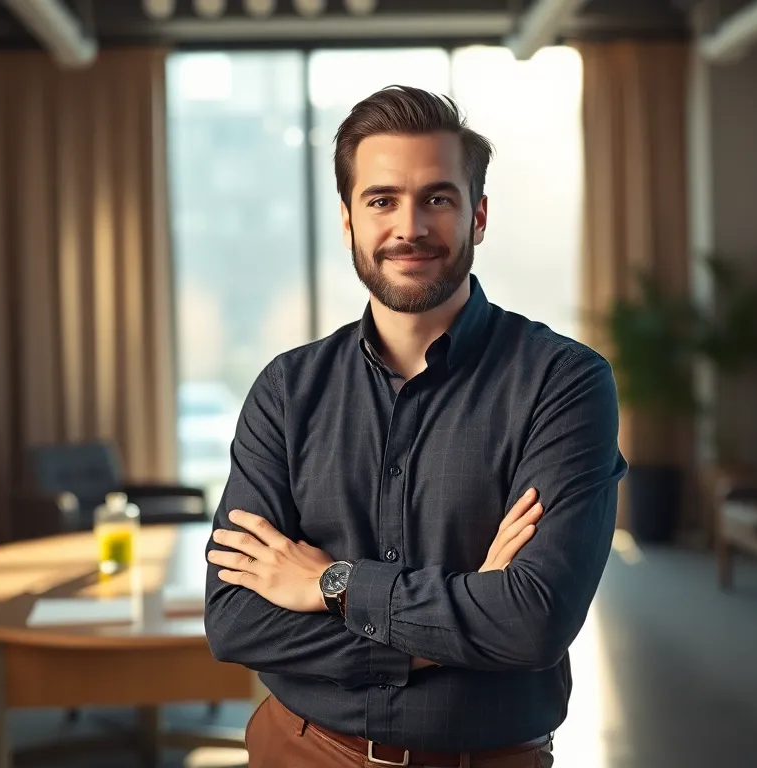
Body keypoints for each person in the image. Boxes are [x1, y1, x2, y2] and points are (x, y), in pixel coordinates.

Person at [204, 84, 628, 768]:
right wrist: (459, 620)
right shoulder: (286, 390)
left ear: (477, 216)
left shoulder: (564, 383)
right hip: (301, 750)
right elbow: (235, 620)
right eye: (382, 200)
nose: (410, 226)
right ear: (347, 219)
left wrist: (331, 585)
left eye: (437, 197)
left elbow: (531, 622)